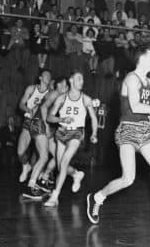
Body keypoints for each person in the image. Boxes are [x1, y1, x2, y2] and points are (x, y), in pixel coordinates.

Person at [86, 46, 150, 231]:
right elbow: (135, 106)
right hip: (127, 130)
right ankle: (97, 197)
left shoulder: (148, 81)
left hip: (144, 130)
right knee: (128, 179)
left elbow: (144, 113)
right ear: (142, 59)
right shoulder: (131, 78)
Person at [44, 71, 98, 207]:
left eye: (83, 80)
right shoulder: (61, 98)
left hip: (77, 133)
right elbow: (49, 117)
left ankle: (54, 197)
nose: (82, 82)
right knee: (59, 165)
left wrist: (94, 134)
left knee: (63, 163)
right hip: (61, 132)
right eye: (79, 79)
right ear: (71, 80)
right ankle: (76, 174)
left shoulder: (85, 99)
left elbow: (94, 118)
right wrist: (62, 119)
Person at [35, 77, 84, 194]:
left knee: (59, 163)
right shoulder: (57, 95)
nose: (63, 88)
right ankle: (45, 178)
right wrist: (47, 125)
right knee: (57, 161)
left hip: (68, 133)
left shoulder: (69, 98)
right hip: (54, 129)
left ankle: (47, 177)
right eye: (61, 85)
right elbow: (44, 108)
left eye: (64, 86)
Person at [17, 70, 52, 184]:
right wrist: (28, 109)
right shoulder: (31, 88)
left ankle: (40, 176)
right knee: (20, 152)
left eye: (49, 76)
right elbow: (21, 104)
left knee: (43, 154)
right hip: (28, 121)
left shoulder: (50, 93)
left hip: (40, 124)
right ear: (40, 78)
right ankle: (26, 167)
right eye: (46, 75)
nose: (48, 77)